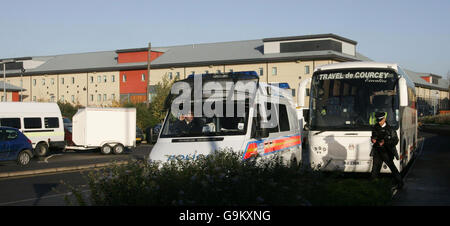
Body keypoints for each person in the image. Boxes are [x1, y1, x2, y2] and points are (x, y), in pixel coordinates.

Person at [370, 111, 404, 189]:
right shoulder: (375, 127)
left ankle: (400, 183)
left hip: (387, 152)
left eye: (380, 120)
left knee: (392, 168)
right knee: (375, 169)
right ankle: (372, 186)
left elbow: (395, 140)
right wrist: (373, 139)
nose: (379, 122)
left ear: (384, 119)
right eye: (378, 120)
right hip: (377, 151)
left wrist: (385, 142)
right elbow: (373, 136)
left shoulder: (390, 129)